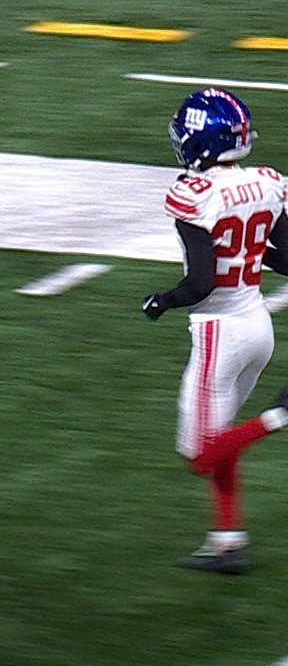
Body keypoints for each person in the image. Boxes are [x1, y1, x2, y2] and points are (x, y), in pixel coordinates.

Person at [141, 88, 288, 575]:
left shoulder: (194, 195)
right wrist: (248, 251)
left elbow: (201, 283)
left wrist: (163, 300)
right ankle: (228, 543)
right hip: (259, 328)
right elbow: (286, 257)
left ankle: (280, 415)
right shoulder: (267, 182)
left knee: (200, 455)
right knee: (222, 438)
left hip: (219, 334)